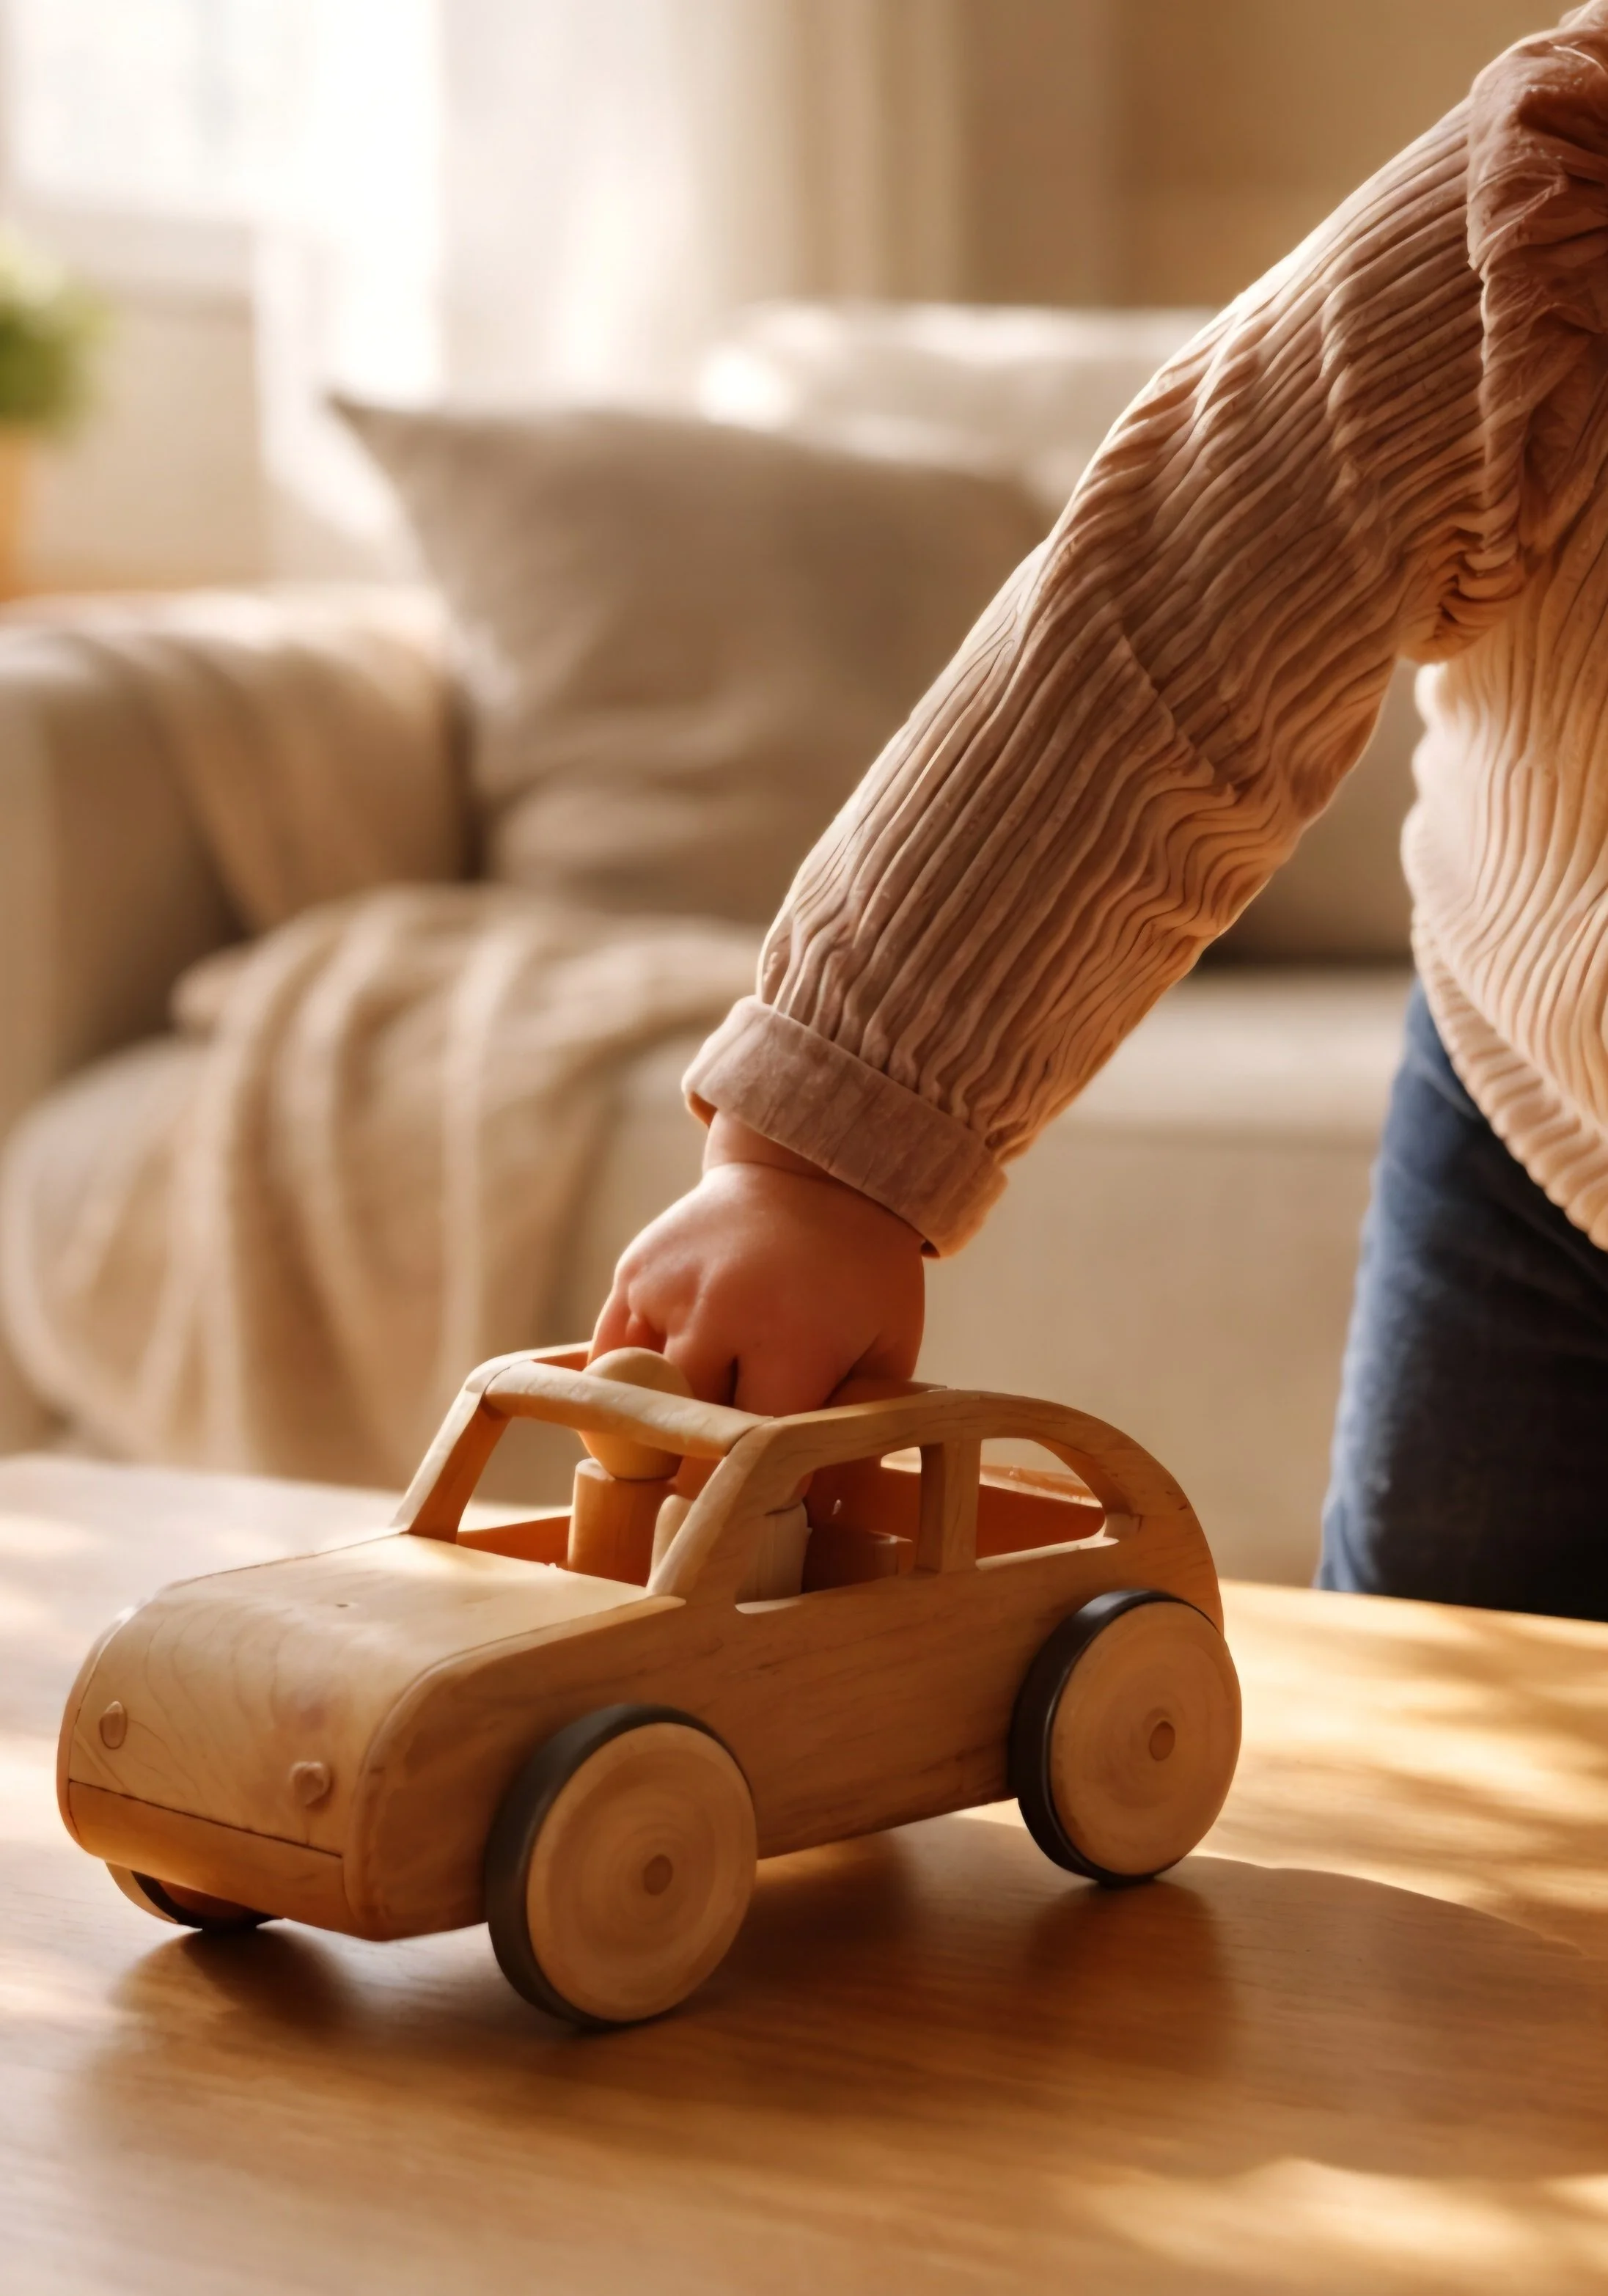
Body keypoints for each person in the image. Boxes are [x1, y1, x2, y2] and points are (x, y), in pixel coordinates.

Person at [594, 6, 1608, 1621]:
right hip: (1550, 1136)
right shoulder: (1568, 187)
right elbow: (1177, 624)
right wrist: (818, 1163)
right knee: (1448, 1687)